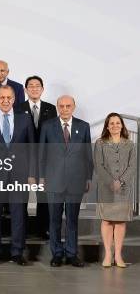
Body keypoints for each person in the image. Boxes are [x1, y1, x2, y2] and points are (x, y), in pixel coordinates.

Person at [0, 85, 35, 266]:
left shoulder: (25, 119)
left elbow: (32, 149)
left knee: (19, 213)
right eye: (2, 97)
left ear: (14, 99)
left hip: (19, 175)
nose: (5, 101)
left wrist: (32, 175)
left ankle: (17, 252)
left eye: (9, 98)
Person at [39, 95, 93, 267]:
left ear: (74, 107)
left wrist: (88, 177)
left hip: (76, 181)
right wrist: (41, 177)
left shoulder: (83, 126)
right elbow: (41, 154)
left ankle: (71, 254)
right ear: (57, 107)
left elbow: (87, 156)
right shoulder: (48, 126)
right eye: (61, 106)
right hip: (53, 180)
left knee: (72, 220)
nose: (64, 109)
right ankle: (56, 254)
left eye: (68, 106)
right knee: (54, 220)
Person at [94, 113, 136, 268]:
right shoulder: (100, 143)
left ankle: (118, 255)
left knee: (120, 222)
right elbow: (99, 165)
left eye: (118, 123)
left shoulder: (130, 144)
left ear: (122, 125)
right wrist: (111, 182)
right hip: (106, 188)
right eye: (111, 123)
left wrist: (121, 181)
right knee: (107, 220)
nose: (115, 126)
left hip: (124, 189)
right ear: (107, 126)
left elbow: (133, 166)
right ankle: (108, 254)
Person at [19, 75, 57, 239]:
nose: (34, 88)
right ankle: (23, 229)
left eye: (37, 86)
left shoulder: (50, 108)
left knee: (43, 195)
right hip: (24, 157)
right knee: (22, 195)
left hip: (45, 158)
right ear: (25, 89)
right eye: (31, 86)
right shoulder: (18, 108)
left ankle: (43, 229)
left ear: (42, 89)